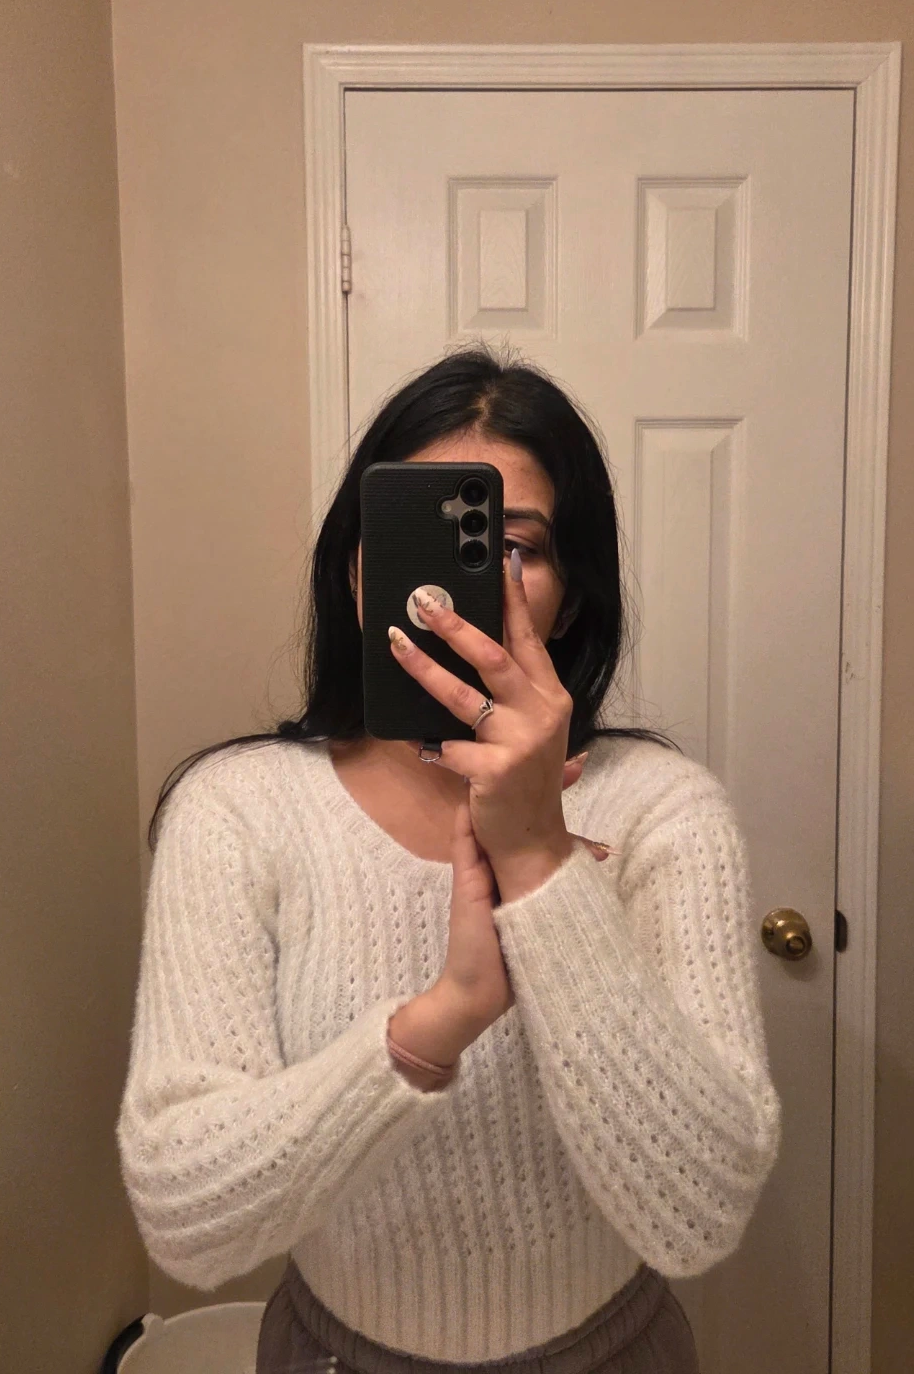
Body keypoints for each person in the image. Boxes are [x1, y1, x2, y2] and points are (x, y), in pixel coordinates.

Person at [117, 349, 783, 1374]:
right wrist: (438, 1024)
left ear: (570, 595)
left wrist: (542, 862)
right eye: (419, 544)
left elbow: (699, 1213)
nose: (461, 592)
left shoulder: (661, 812)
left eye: (517, 547)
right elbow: (184, 1217)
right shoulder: (239, 812)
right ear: (357, 573)